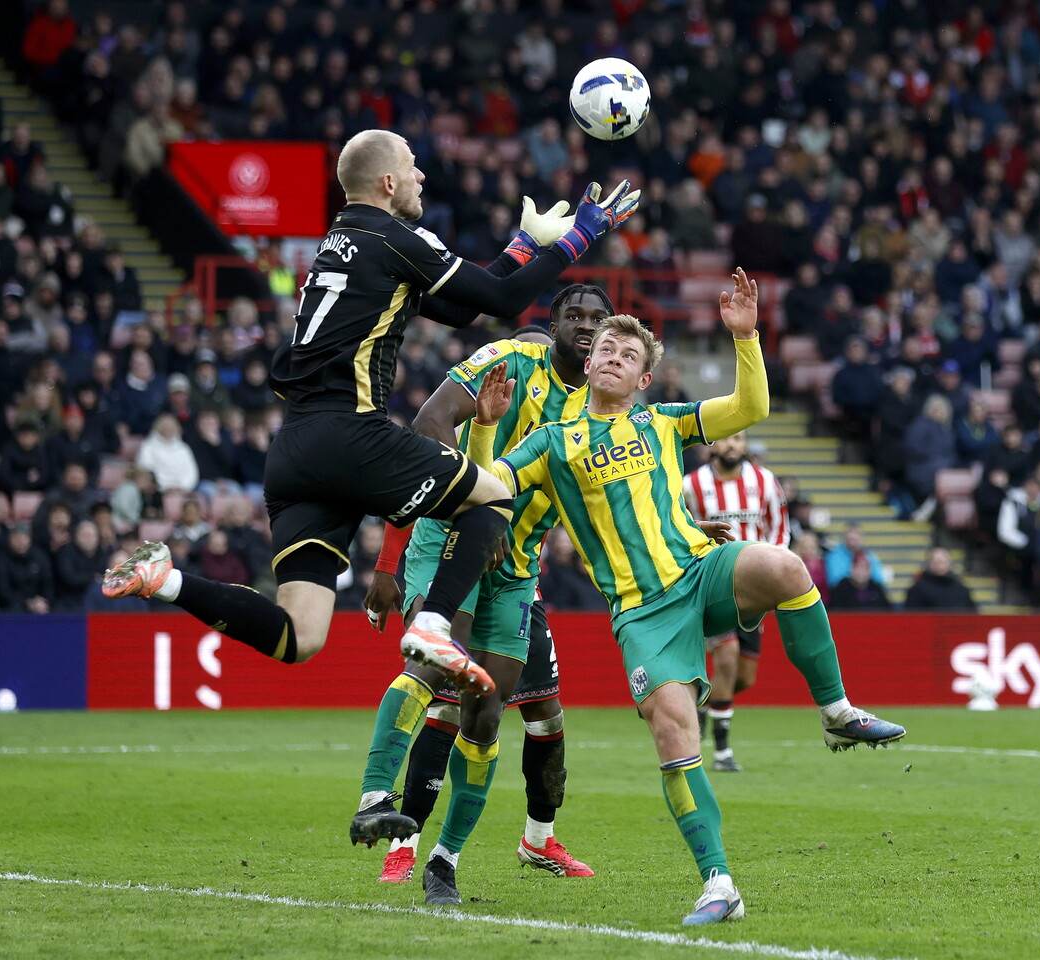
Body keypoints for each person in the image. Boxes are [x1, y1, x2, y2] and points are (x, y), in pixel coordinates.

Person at [101, 129, 640, 792]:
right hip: (349, 434)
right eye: (413, 168)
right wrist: (581, 235)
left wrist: (527, 246)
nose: (420, 178)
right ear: (386, 183)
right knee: (494, 497)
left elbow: (462, 303)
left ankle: (166, 581)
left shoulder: (342, 246)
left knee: (300, 636)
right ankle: (436, 626)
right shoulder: (392, 237)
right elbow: (499, 304)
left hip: (293, 454)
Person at [460, 269, 904, 924]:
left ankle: (835, 709)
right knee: (673, 731)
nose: (610, 355)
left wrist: (746, 337)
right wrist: (482, 428)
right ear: (589, 366)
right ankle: (719, 882)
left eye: (627, 354)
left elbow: (750, 408)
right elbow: (483, 484)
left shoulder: (663, 422)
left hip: (699, 571)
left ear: (644, 379)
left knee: (784, 565)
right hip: (643, 612)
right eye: (604, 349)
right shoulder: (552, 441)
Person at [352, 289, 614, 885]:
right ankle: (377, 800)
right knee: (438, 667)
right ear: (551, 327)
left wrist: (677, 532)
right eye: (573, 316)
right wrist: (474, 508)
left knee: (487, 711)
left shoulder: (602, 413)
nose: (585, 327)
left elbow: (601, 502)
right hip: (454, 536)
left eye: (597, 319)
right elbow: (426, 425)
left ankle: (444, 862)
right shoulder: (508, 361)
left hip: (519, 566)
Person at [683, 429, 790, 772]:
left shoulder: (765, 481)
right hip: (713, 585)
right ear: (711, 446)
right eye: (727, 438)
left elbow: (779, 530)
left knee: (744, 677)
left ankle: (701, 706)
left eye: (740, 439)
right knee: (725, 660)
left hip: (755, 590)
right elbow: (678, 528)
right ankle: (722, 752)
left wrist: (774, 571)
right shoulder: (691, 484)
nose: (733, 445)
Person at [902, 548, 978, 610]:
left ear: (950, 563)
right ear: (929, 564)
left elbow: (973, 615)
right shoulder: (917, 589)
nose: (940, 565)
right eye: (936, 562)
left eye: (943, 562)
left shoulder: (961, 589)